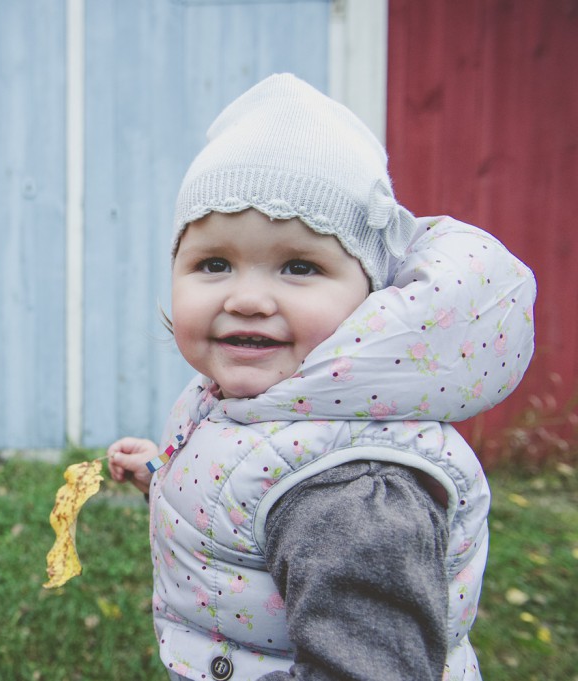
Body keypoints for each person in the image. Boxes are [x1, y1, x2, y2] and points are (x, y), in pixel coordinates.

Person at [107, 73, 536, 681]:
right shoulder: (266, 404)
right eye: (215, 263)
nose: (248, 298)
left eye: (299, 266)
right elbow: (246, 498)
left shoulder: (350, 489)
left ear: (371, 299)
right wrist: (161, 475)